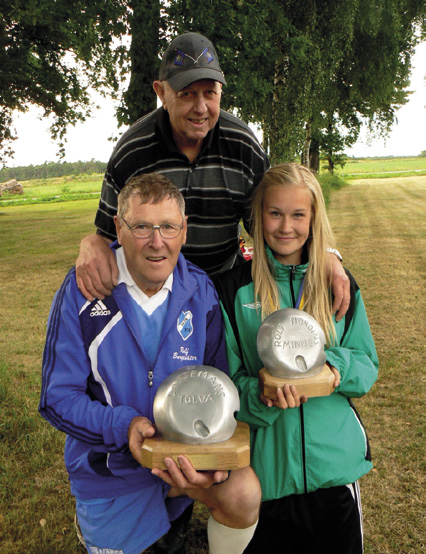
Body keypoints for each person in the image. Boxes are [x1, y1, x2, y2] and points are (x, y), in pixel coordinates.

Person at [39, 173, 261, 554]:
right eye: (142, 226)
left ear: (184, 231)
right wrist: (123, 426)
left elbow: (216, 382)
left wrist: (215, 459)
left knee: (243, 491)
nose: (157, 242)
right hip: (112, 474)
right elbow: (57, 399)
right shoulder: (83, 291)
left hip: (181, 464)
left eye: (169, 227)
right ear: (118, 229)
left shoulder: (200, 290)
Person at [75, 31, 350, 320]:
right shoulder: (132, 152)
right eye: (187, 94)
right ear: (161, 93)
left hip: (223, 294)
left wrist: (325, 254)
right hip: (152, 299)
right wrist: (90, 243)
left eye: (210, 93)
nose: (201, 107)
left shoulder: (243, 146)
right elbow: (108, 236)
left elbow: (276, 225)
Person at [215, 163, 379, 553]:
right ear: (258, 216)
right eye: (274, 213)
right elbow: (227, 384)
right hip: (267, 477)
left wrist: (334, 369)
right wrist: (263, 396)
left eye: (298, 215)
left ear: (314, 217)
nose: (285, 226)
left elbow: (366, 363)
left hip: (333, 474)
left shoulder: (338, 283)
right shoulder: (234, 290)